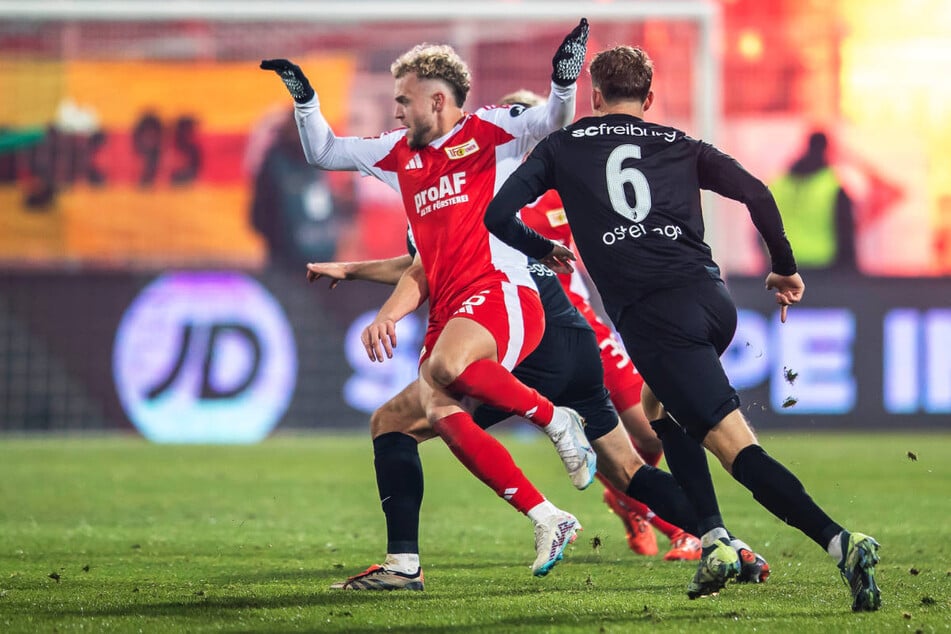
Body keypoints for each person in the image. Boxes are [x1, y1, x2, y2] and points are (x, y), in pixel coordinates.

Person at [484, 45, 881, 611]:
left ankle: (841, 542)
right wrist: (784, 267)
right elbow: (757, 193)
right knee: (658, 410)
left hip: (655, 316)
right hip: (712, 302)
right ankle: (716, 539)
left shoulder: (562, 147)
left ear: (594, 97)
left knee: (733, 447)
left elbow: (498, 215)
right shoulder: (679, 143)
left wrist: (542, 247)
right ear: (648, 99)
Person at [262, 20, 596, 579]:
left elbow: (553, 120)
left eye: (403, 100)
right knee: (397, 420)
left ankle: (557, 420)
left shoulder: (494, 130)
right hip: (449, 309)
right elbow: (324, 151)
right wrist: (305, 97)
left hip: (504, 293)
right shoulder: (399, 154)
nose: (395, 111)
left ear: (438, 100)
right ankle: (456, 546)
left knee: (445, 367)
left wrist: (564, 81)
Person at [306, 249, 768, 591]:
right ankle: (728, 543)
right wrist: (350, 270)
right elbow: (419, 265)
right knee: (629, 472)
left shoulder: (449, 182)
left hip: (521, 341)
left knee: (406, 416)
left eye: (403, 111)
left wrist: (372, 293)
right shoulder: (488, 190)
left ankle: (414, 561)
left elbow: (424, 268)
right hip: (573, 341)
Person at [499, 89, 699, 561]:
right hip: (528, 330)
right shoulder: (493, 191)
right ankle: (682, 529)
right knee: (606, 443)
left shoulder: (571, 179)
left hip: (581, 321)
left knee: (652, 434)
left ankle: (627, 500)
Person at [770, 130, 857, 272]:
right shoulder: (832, 186)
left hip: (781, 268)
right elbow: (845, 234)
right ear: (828, 150)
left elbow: (760, 228)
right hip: (822, 270)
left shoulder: (778, 185)